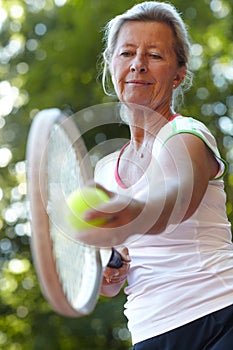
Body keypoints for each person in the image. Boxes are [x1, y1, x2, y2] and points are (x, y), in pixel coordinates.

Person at [78, 2, 233, 349]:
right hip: (150, 332)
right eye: (127, 52)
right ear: (111, 64)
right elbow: (109, 286)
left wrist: (125, 213)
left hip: (220, 315)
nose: (137, 64)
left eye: (155, 55)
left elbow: (175, 199)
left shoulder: (187, 135)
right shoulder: (105, 171)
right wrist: (109, 268)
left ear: (178, 74)